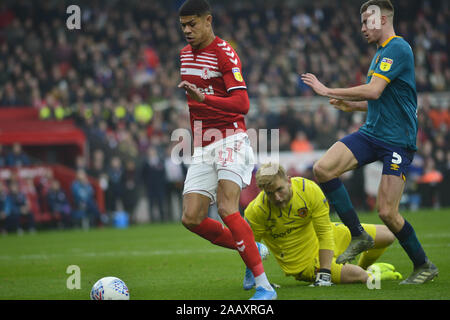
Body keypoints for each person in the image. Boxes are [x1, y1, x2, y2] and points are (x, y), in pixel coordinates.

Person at [300, 0, 438, 284]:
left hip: (397, 141)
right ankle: (358, 234)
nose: (362, 27)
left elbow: (375, 91)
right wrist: (355, 107)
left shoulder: (398, 48)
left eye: (367, 21)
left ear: (384, 19)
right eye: (362, 22)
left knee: (387, 212)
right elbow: (385, 101)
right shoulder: (380, 54)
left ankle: (424, 265)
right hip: (372, 132)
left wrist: (327, 89)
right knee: (323, 169)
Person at [177, 0, 276, 299]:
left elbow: (243, 105)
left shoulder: (224, 53)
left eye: (192, 23)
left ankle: (264, 287)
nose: (187, 30)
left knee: (226, 208)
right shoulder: (183, 55)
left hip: (232, 138)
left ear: (208, 20)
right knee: (191, 218)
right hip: (203, 145)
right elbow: (193, 104)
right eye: (183, 25)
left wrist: (207, 101)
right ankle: (252, 249)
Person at [243, 163, 401, 288]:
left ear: (289, 181)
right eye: (269, 193)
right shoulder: (256, 211)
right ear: (263, 191)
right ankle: (372, 274)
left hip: (327, 237)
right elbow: (251, 248)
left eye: (280, 189)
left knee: (387, 235)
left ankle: (365, 268)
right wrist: (259, 281)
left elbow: (324, 231)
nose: (277, 197)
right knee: (360, 277)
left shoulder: (308, 189)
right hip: (305, 264)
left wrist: (325, 273)